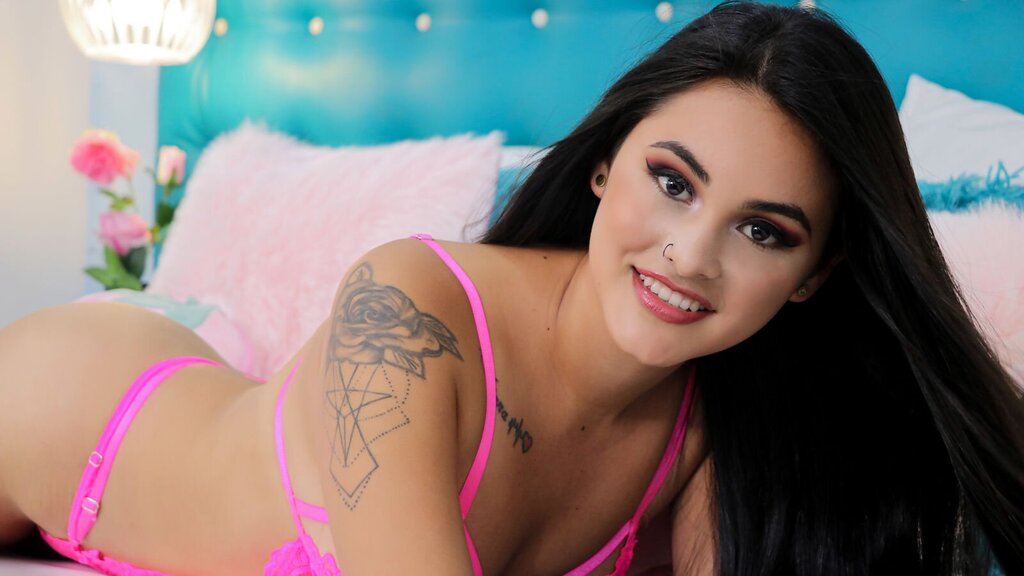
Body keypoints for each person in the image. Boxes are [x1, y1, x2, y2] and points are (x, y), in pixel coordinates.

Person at [1, 1, 1022, 574]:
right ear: (603, 165)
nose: (689, 255)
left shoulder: (721, 435)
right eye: (672, 182)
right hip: (83, 415)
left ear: (813, 276)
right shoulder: (408, 308)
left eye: (762, 230)